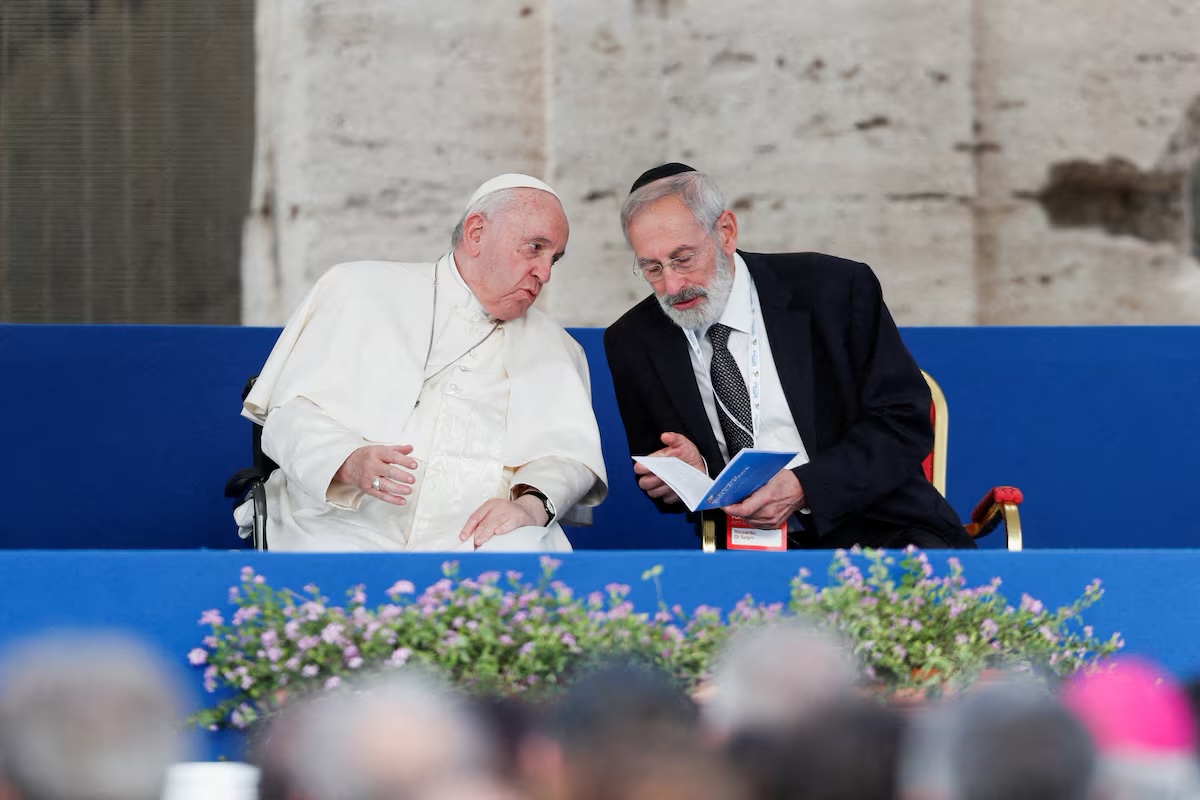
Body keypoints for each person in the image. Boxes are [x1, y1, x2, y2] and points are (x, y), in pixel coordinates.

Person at [603, 163, 973, 550]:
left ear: (725, 232)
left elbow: (902, 423)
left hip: (884, 530)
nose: (672, 285)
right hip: (745, 550)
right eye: (652, 268)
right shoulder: (633, 340)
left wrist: (804, 486)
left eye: (683, 259)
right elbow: (662, 488)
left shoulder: (832, 290)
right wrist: (688, 475)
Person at [240, 174, 607, 552]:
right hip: (344, 522)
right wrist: (348, 461)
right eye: (534, 248)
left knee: (525, 552)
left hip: (477, 536)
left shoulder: (558, 347)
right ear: (476, 233)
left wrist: (531, 507)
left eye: (554, 259)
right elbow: (289, 417)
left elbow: (568, 457)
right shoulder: (359, 289)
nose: (544, 273)